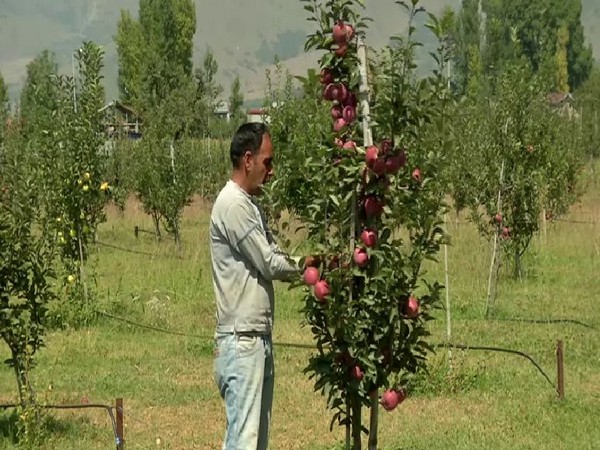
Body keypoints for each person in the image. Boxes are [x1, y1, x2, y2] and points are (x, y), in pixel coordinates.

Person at [210, 122, 318, 450]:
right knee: (244, 443)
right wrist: (310, 266)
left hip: (256, 340)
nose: (271, 171)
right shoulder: (233, 204)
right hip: (242, 342)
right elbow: (269, 262)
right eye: (267, 162)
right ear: (248, 160)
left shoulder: (248, 204)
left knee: (256, 443)